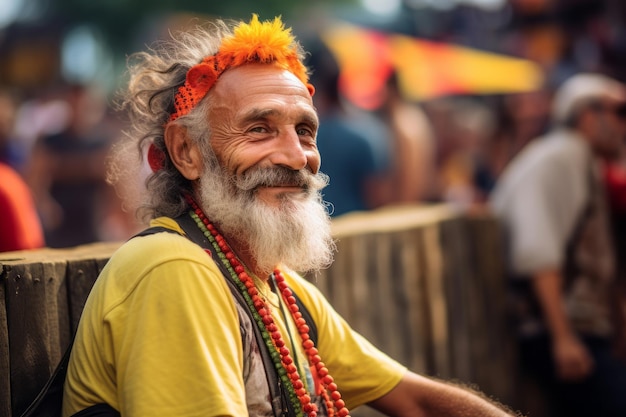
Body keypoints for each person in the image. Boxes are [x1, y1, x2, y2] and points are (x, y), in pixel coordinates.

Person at [62, 15, 519, 417]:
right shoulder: (175, 269)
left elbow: (416, 403)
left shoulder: (278, 286)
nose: (297, 157)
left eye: (304, 131)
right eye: (259, 129)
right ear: (186, 151)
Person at [490, 73, 626, 417]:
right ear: (587, 116)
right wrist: (563, 337)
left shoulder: (579, 158)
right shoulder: (562, 156)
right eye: (620, 111)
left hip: (575, 329)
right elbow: (537, 251)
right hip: (560, 330)